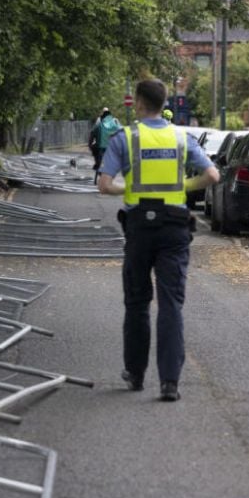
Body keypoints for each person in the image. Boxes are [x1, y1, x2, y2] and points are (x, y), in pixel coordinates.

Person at [98, 78, 219, 400]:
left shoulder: (125, 137)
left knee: (137, 302)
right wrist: (181, 188)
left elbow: (105, 185)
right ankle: (170, 382)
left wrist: (133, 189)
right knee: (171, 304)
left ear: (138, 103)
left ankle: (135, 374)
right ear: (165, 103)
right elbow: (212, 175)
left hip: (139, 227)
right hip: (174, 227)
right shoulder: (181, 137)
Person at [88, 108, 121, 183]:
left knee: (95, 151)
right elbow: (121, 131)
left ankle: (97, 166)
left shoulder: (99, 121)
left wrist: (90, 144)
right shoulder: (115, 121)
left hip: (101, 147)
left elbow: (92, 133)